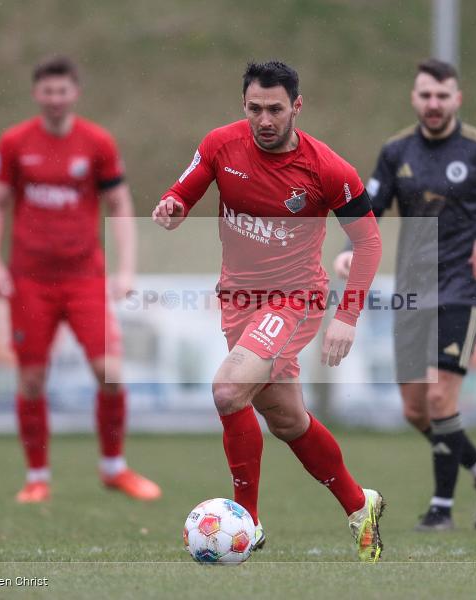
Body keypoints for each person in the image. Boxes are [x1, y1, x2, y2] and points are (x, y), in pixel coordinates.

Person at [152, 61, 386, 562]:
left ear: (296, 107)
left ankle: (247, 523)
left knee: (229, 389)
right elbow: (183, 192)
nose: (264, 119)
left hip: (295, 299)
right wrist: (172, 207)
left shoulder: (327, 169)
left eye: (275, 109)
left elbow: (368, 241)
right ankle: (358, 504)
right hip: (238, 301)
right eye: (255, 108)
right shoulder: (220, 145)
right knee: (286, 419)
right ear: (244, 105)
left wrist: (346, 316)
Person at [334, 58, 476, 531]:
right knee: (414, 409)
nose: (434, 104)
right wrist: (347, 250)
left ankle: (441, 507)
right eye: (426, 95)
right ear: (414, 98)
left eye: (443, 96)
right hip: (413, 289)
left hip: (462, 288)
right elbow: (371, 209)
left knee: (442, 399)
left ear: (457, 99)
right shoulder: (395, 150)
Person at [0, 56, 161, 504]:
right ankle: (37, 477)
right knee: (32, 380)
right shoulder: (14, 143)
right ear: (36, 94)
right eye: (48, 91)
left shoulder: (97, 142)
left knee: (111, 374)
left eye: (63, 91)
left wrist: (125, 269)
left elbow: (119, 204)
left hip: (84, 279)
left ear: (75, 92)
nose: (55, 99)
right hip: (31, 282)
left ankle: (114, 469)